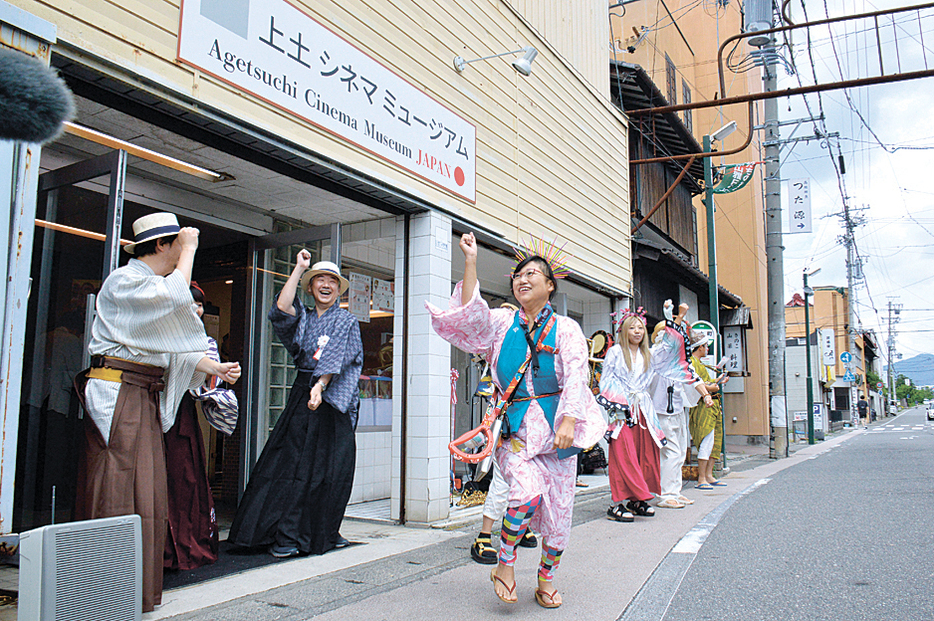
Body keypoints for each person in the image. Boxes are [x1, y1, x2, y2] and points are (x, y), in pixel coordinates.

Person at [75, 212, 242, 613]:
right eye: (178, 245)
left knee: (147, 493)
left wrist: (213, 368)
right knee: (116, 490)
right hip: (118, 392)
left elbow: (170, 347)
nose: (183, 253)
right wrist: (192, 249)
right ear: (163, 245)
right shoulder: (124, 280)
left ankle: (134, 592)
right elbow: (173, 298)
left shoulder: (149, 285)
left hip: (141, 392)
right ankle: (102, 592)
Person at [428, 233, 606, 608]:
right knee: (523, 496)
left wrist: (570, 420)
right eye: (518, 275)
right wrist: (471, 261)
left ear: (550, 285)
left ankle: (546, 579)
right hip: (515, 431)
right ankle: (505, 564)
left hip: (558, 433)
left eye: (532, 275)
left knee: (559, 518)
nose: (522, 280)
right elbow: (470, 315)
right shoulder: (501, 323)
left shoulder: (567, 328)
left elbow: (576, 374)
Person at [229, 252, 363, 558]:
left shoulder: (346, 319)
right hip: (303, 394)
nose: (326, 285)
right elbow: (281, 308)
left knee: (332, 470)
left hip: (333, 401)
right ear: (311, 287)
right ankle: (286, 533)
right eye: (319, 280)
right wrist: (299, 268)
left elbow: (337, 357)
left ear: (339, 290)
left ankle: (325, 532)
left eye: (332, 281)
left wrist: (321, 385)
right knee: (291, 464)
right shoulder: (304, 318)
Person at [599, 304, 711, 521]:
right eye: (632, 328)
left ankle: (636, 499)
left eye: (641, 328)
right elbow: (607, 380)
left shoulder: (649, 354)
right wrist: (619, 403)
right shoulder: (614, 352)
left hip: (644, 411)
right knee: (624, 455)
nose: (637, 332)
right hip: (621, 411)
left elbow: (670, 348)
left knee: (646, 455)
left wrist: (675, 319)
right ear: (624, 331)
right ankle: (617, 503)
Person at [163, 282, 222, 571]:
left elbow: (203, 384)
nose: (197, 309)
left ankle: (183, 542)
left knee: (184, 478)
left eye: (200, 304)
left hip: (181, 414)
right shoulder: (160, 332)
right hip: (158, 410)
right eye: (192, 303)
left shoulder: (204, 340)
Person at [650, 321, 700, 509]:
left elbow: (692, 378)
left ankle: (675, 491)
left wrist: (704, 393)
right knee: (669, 452)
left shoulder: (678, 360)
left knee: (679, 453)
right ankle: (665, 494)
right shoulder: (655, 355)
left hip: (677, 409)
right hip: (661, 410)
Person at [470, 462, 538, 564]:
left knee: (527, 482)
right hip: (504, 447)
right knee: (501, 483)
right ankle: (484, 535)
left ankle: (520, 526)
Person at [687, 333, 728, 489]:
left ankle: (709, 475)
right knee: (706, 439)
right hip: (703, 405)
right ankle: (701, 478)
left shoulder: (698, 363)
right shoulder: (691, 363)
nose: (707, 348)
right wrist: (711, 387)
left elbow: (704, 383)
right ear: (700, 347)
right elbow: (697, 384)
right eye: (706, 346)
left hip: (712, 404)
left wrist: (718, 381)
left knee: (715, 440)